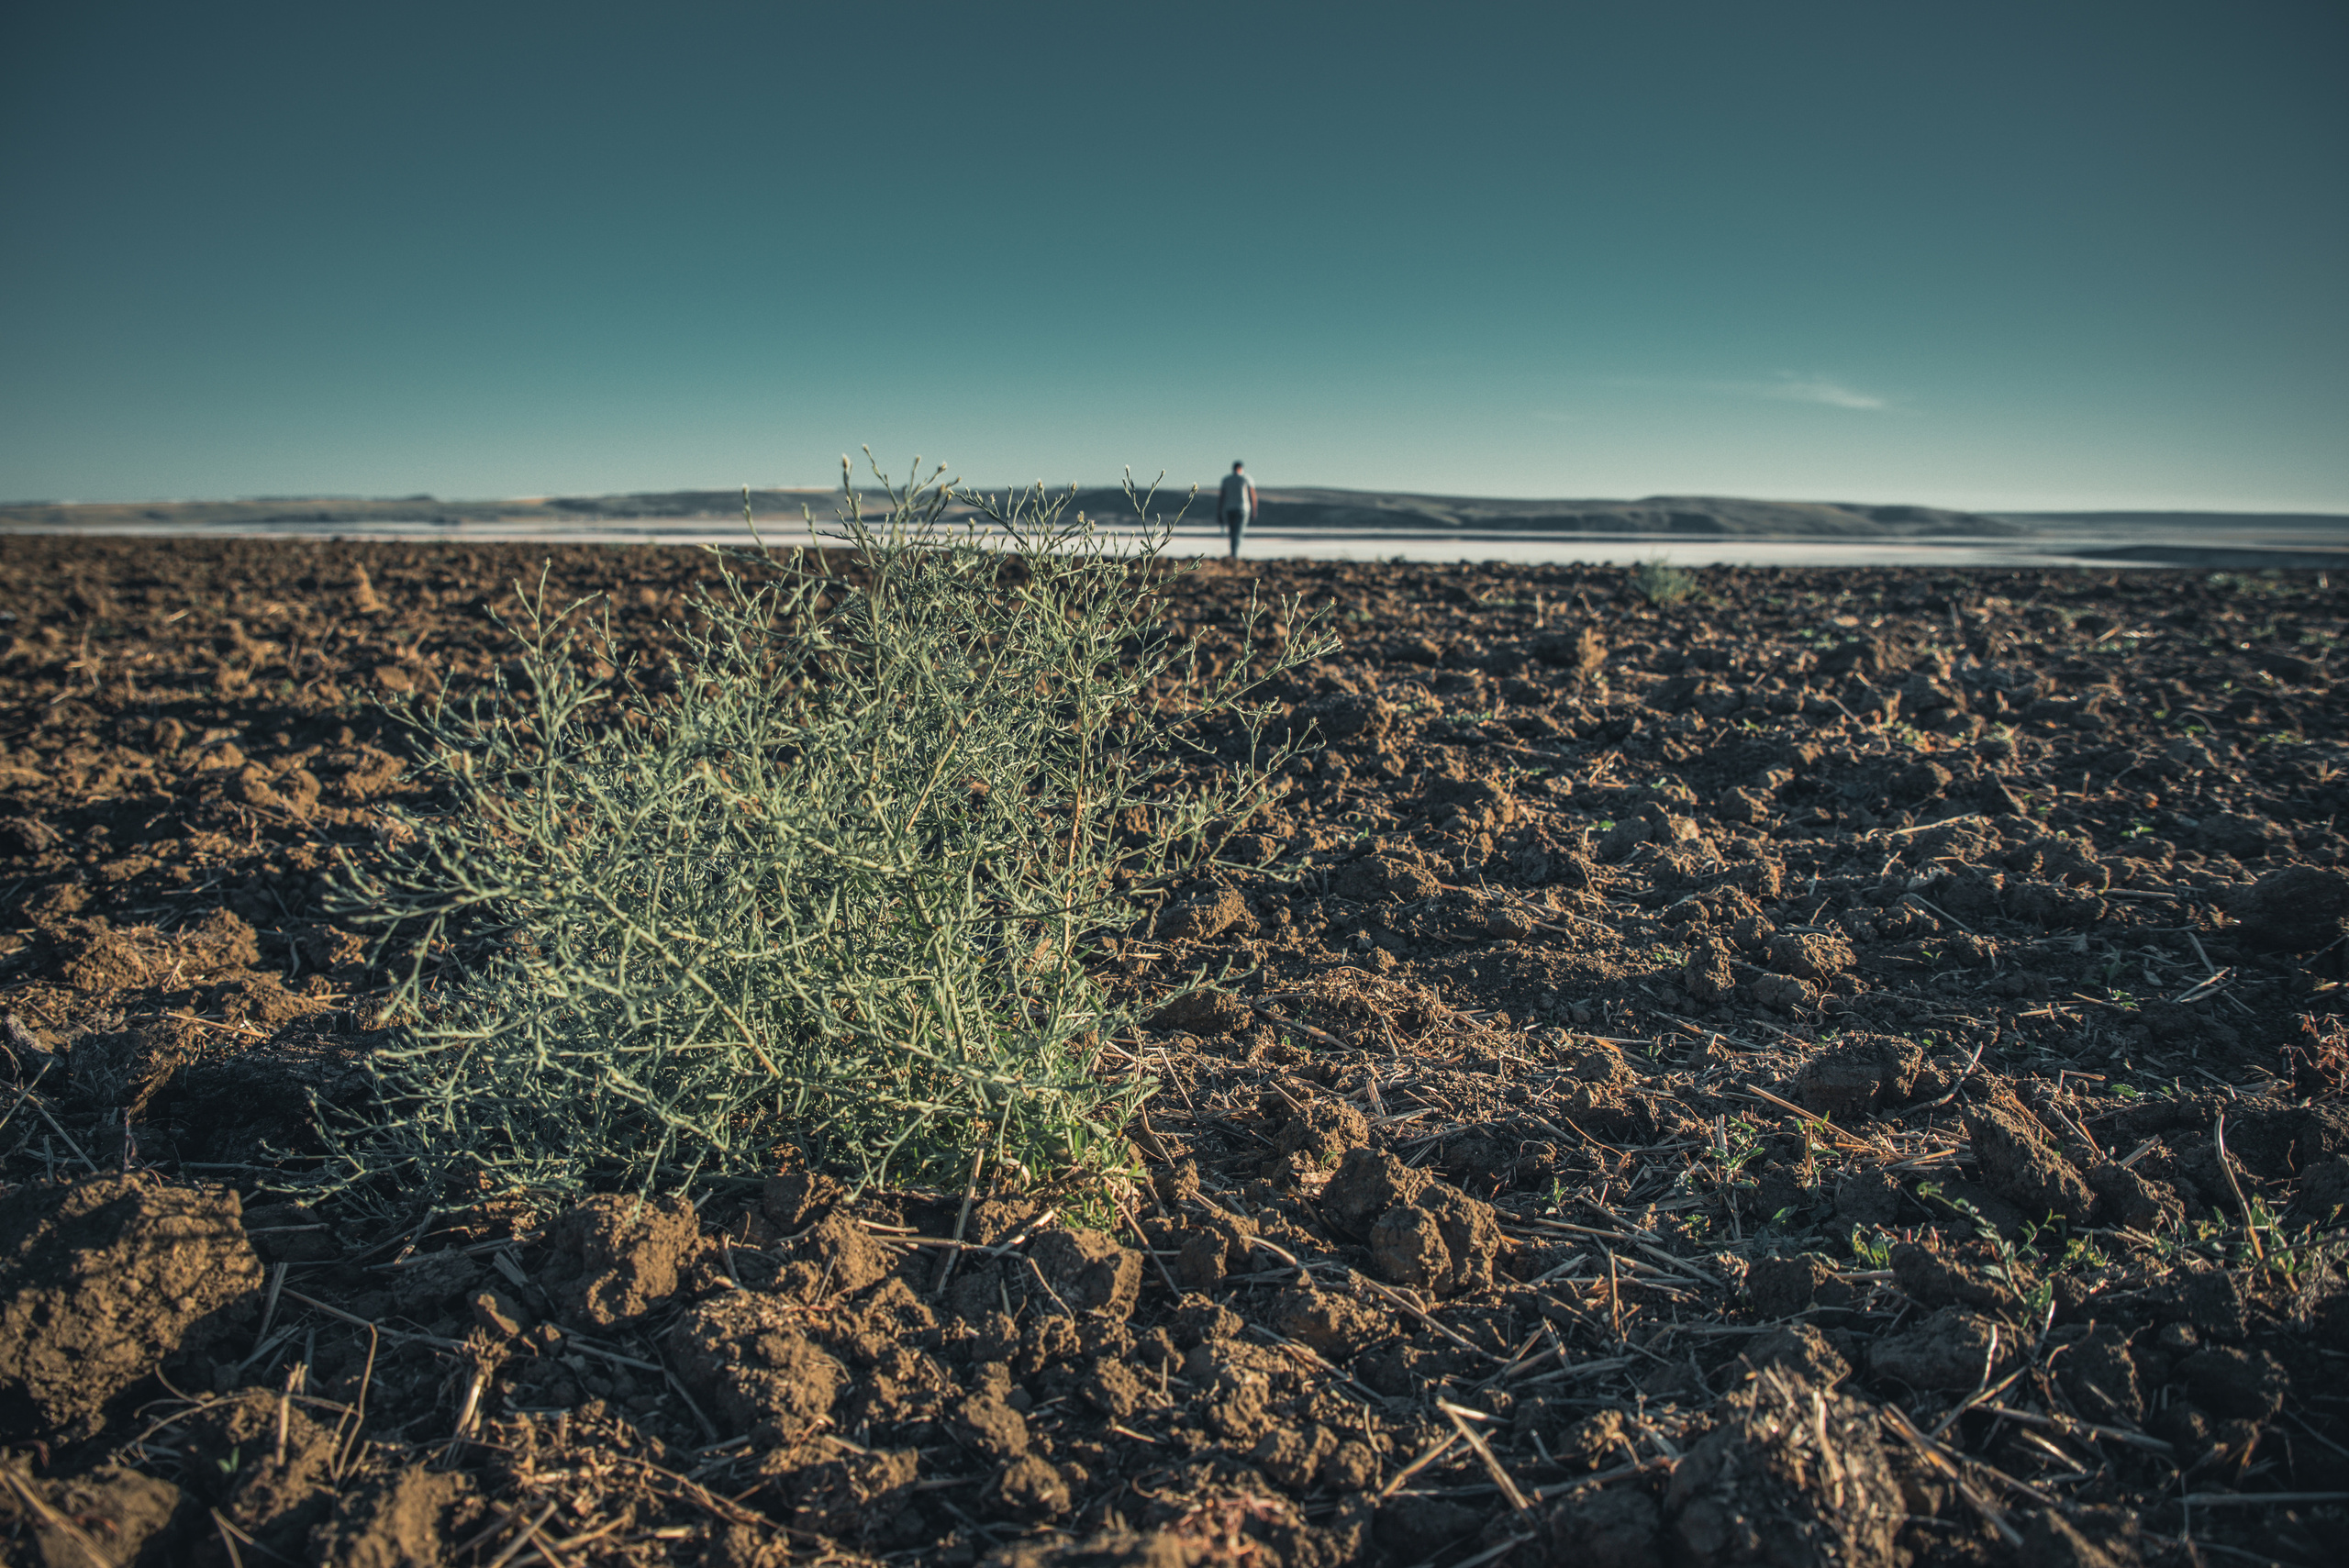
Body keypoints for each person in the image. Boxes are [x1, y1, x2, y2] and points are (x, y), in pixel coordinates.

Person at [1218, 461, 1258, 559]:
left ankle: (1233, 553)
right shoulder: (1246, 479)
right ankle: (1234, 554)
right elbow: (1252, 495)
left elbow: (1222, 497)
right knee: (1238, 532)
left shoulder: (1227, 480)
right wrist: (1254, 510)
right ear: (1241, 468)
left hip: (1229, 509)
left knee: (1233, 532)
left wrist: (1219, 511)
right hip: (1242, 509)